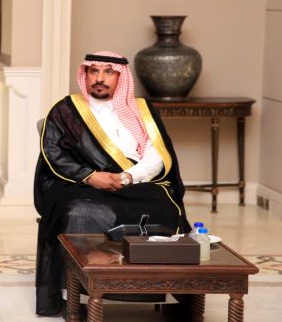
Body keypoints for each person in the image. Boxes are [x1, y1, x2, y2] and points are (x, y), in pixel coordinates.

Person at [34, 51, 191, 317]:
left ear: (121, 77)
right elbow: (54, 153)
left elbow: (156, 154)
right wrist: (91, 176)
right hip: (82, 184)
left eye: (109, 72)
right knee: (79, 211)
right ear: (85, 75)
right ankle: (77, 294)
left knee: (164, 207)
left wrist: (128, 177)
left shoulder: (142, 110)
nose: (100, 78)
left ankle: (151, 288)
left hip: (135, 182)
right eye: (94, 71)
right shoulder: (66, 110)